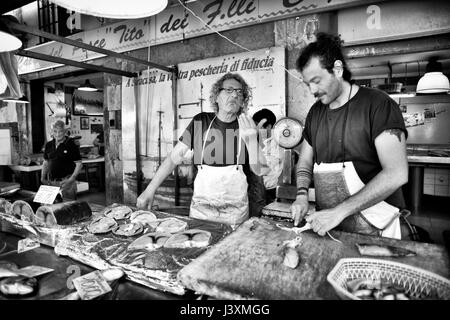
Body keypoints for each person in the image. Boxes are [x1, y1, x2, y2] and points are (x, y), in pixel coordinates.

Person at [291, 33, 409, 239]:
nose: (312, 90)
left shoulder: (378, 105)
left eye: (316, 81)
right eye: (307, 83)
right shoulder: (315, 113)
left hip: (377, 231)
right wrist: (301, 196)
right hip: (331, 229)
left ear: (337, 69)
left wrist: (339, 212)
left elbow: (396, 173)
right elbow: (304, 162)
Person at [137, 73, 267, 227]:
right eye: (229, 90)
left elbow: (261, 170)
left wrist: (252, 140)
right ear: (216, 97)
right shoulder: (201, 121)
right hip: (201, 212)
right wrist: (150, 189)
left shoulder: (247, 126)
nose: (234, 95)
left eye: (239, 92)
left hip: (234, 215)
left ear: (243, 101)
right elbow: (173, 158)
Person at [41, 120, 83, 200]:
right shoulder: (49, 145)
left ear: (65, 132)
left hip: (67, 182)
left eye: (60, 131)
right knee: (52, 208)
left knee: (68, 207)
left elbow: (79, 164)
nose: (57, 134)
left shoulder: (71, 144)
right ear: (52, 132)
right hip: (52, 182)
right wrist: (42, 178)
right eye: (55, 131)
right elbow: (46, 162)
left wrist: (71, 179)